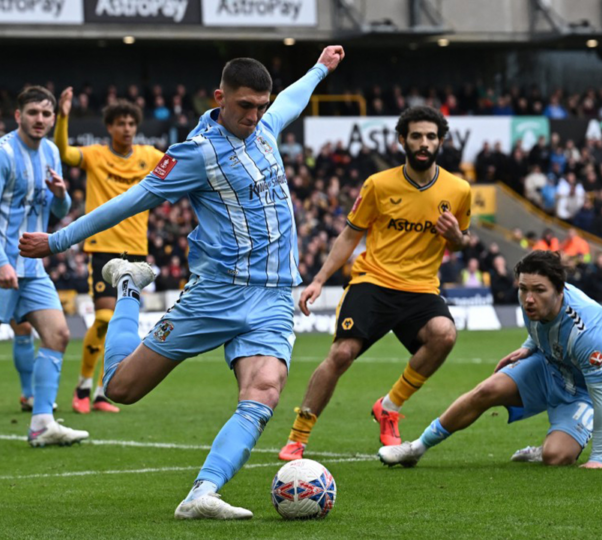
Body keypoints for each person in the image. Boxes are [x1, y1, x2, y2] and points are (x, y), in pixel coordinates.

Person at [19, 47, 345, 519]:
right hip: (216, 295)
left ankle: (201, 493)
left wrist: (319, 69)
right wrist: (57, 240)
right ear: (219, 98)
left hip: (274, 295)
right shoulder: (196, 153)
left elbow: (291, 102)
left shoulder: (267, 129)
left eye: (260, 105)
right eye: (244, 107)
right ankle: (129, 286)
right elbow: (130, 201)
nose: (254, 116)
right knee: (121, 389)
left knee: (266, 388)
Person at [277, 106, 472, 461]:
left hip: (421, 289)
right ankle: (297, 437)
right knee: (342, 353)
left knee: (444, 334)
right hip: (374, 282)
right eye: (416, 136)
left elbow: (461, 242)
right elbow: (349, 236)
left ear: (441, 141)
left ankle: (389, 406)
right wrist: (319, 279)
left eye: (431, 136)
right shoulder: (379, 185)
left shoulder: (459, 190)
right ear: (403, 140)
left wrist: (457, 236)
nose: (424, 143)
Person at [378, 250, 602, 469]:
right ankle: (416, 448)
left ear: (560, 290)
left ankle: (546, 449)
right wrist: (528, 347)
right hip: (549, 367)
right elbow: (545, 328)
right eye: (523, 288)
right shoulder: (531, 301)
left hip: (583, 391)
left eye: (538, 290)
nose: (529, 298)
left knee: (555, 457)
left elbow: (601, 395)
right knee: (487, 389)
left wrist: (599, 458)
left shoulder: (588, 330)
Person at [55, 89, 165, 415]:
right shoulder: (95, 156)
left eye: (131, 122)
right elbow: (63, 152)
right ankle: (83, 386)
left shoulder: (150, 155)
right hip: (103, 250)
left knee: (121, 322)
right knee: (104, 317)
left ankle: (103, 392)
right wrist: (63, 116)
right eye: (120, 123)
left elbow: (184, 162)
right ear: (110, 127)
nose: (127, 128)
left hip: (137, 252)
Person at [0, 86, 88, 446]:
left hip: (31, 267)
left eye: (46, 114)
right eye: (33, 112)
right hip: (3, 265)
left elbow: (57, 211)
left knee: (58, 334)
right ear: (18, 116)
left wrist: (62, 194)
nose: (40, 119)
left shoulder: (51, 151)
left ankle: (41, 424)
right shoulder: (4, 153)